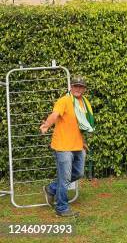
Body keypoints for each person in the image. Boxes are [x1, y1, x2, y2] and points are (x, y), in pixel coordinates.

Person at [40, 76, 94, 217]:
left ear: (84, 89)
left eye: (80, 86)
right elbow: (55, 114)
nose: (77, 89)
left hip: (77, 145)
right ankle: (62, 208)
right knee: (64, 178)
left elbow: (80, 125)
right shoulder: (64, 100)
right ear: (71, 86)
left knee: (78, 173)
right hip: (63, 146)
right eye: (75, 86)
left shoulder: (84, 103)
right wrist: (46, 125)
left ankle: (51, 188)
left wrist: (82, 142)